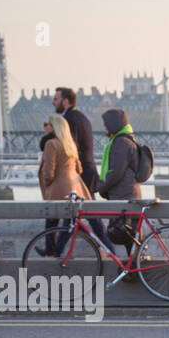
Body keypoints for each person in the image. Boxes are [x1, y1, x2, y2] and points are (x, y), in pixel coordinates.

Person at [50, 86, 106, 249]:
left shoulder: (69, 120)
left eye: (56, 99)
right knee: (77, 214)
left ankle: (106, 247)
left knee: (86, 216)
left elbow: (70, 148)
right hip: (85, 171)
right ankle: (57, 250)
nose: (53, 102)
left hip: (79, 173)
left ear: (65, 101)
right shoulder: (80, 117)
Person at [35, 114, 92, 256]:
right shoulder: (70, 144)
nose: (44, 127)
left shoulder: (51, 144)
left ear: (54, 127)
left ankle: (50, 251)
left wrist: (48, 185)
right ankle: (57, 250)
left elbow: (48, 172)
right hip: (74, 188)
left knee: (51, 221)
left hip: (57, 189)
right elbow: (80, 169)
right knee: (69, 222)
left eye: (46, 124)